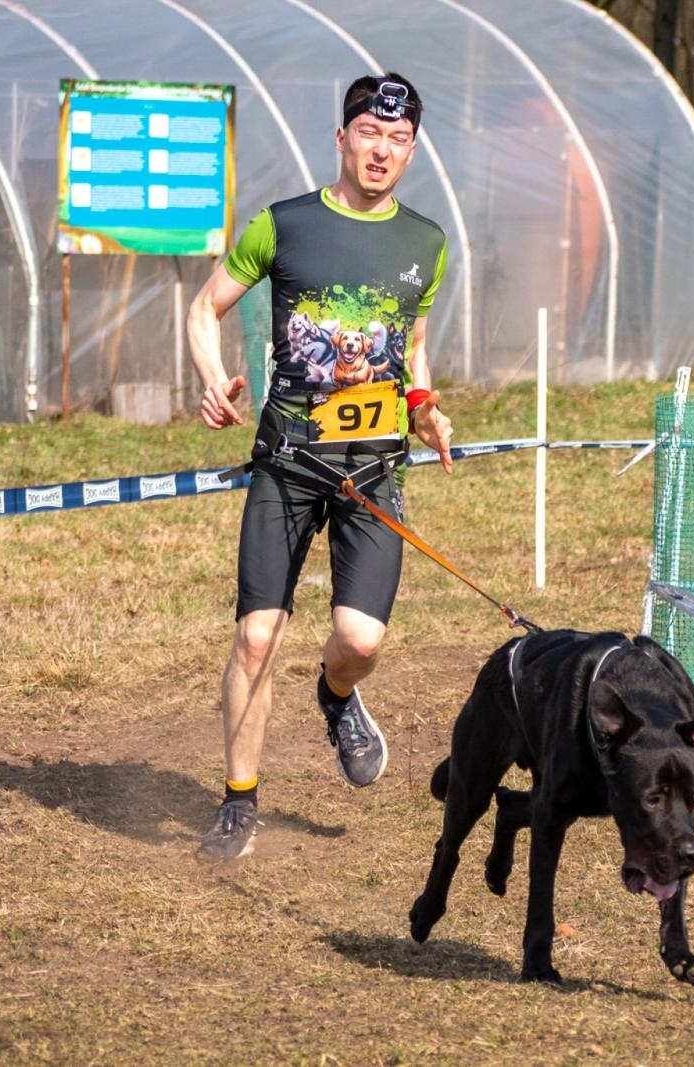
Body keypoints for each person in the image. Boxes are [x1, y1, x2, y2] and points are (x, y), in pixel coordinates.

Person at [185, 73, 454, 861]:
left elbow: (412, 345)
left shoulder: (426, 243)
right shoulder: (282, 225)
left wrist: (425, 404)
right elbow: (205, 308)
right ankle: (239, 802)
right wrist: (212, 380)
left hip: (373, 470)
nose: (382, 149)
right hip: (289, 464)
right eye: (369, 133)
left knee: (361, 639)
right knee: (257, 636)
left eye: (398, 140)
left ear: (411, 151)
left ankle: (337, 696)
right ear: (341, 139)